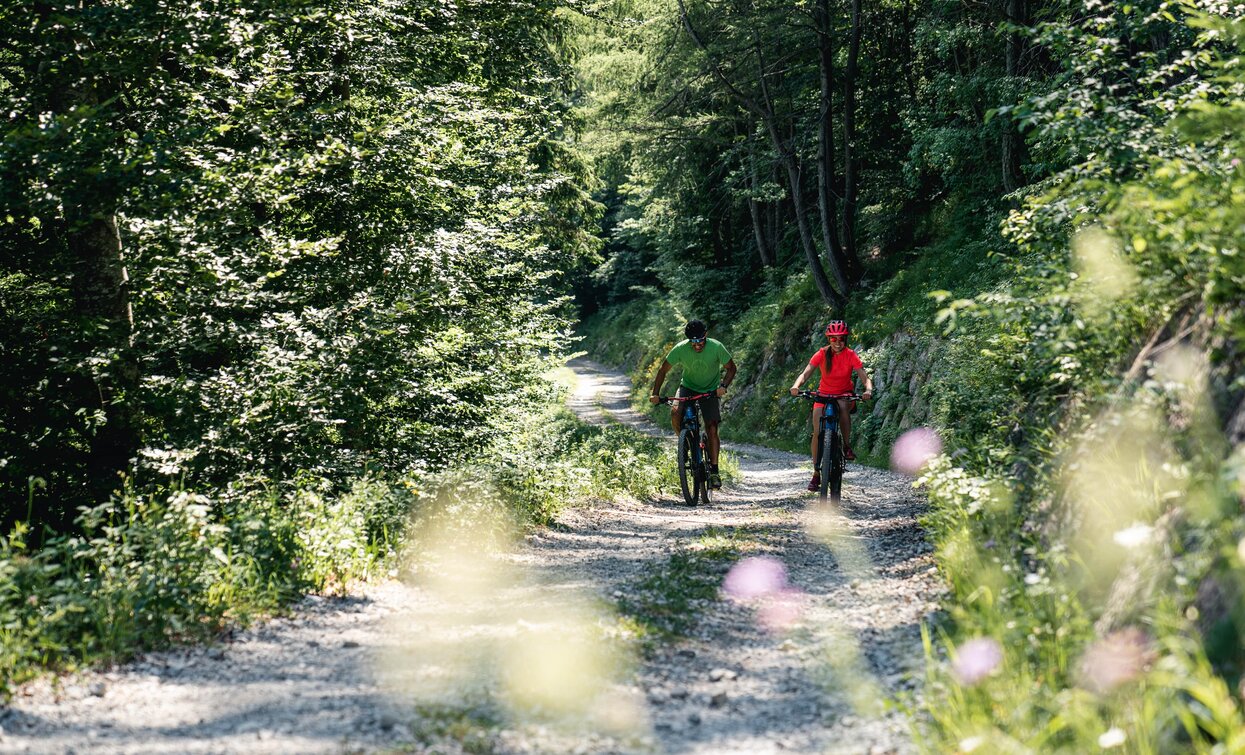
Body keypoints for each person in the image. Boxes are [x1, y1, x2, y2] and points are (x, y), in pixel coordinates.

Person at [649, 319, 737, 489]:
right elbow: (662, 370)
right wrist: (655, 393)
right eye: (693, 342)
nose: (697, 345)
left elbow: (731, 368)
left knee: (711, 427)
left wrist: (723, 386)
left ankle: (714, 471)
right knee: (675, 412)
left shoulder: (716, 347)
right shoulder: (681, 348)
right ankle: (685, 443)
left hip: (710, 391)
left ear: (706, 335)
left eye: (700, 340)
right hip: (688, 387)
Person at [789, 320, 874, 492]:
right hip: (823, 394)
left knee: (843, 408)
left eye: (841, 338)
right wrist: (796, 386)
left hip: (843, 394)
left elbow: (864, 377)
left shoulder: (851, 355)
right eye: (833, 339)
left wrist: (868, 390)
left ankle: (846, 446)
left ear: (846, 339)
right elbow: (805, 373)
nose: (837, 342)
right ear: (828, 339)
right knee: (817, 432)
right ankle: (816, 473)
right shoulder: (821, 353)